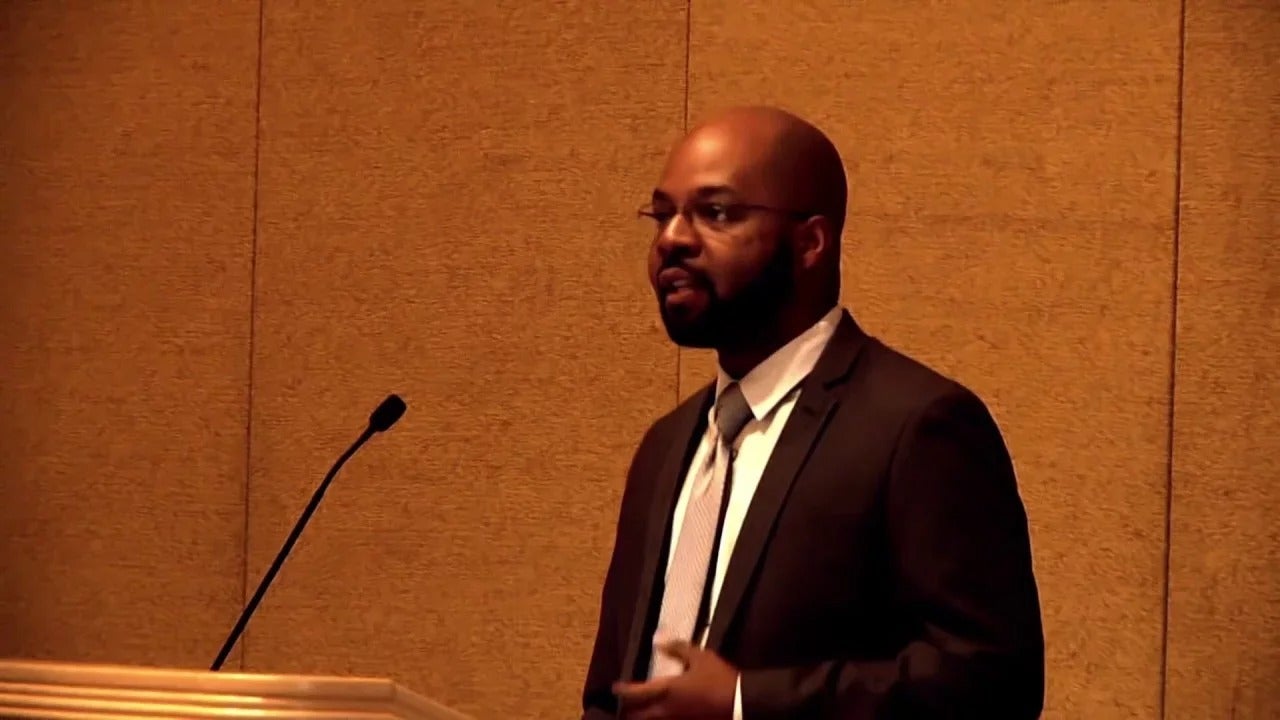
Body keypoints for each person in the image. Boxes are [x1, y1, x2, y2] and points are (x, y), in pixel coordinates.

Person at [581, 106, 1045, 719]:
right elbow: (610, 692)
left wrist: (748, 703)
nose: (672, 239)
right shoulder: (666, 447)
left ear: (810, 243)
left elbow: (991, 681)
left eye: (715, 213)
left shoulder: (917, 426)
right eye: (663, 214)